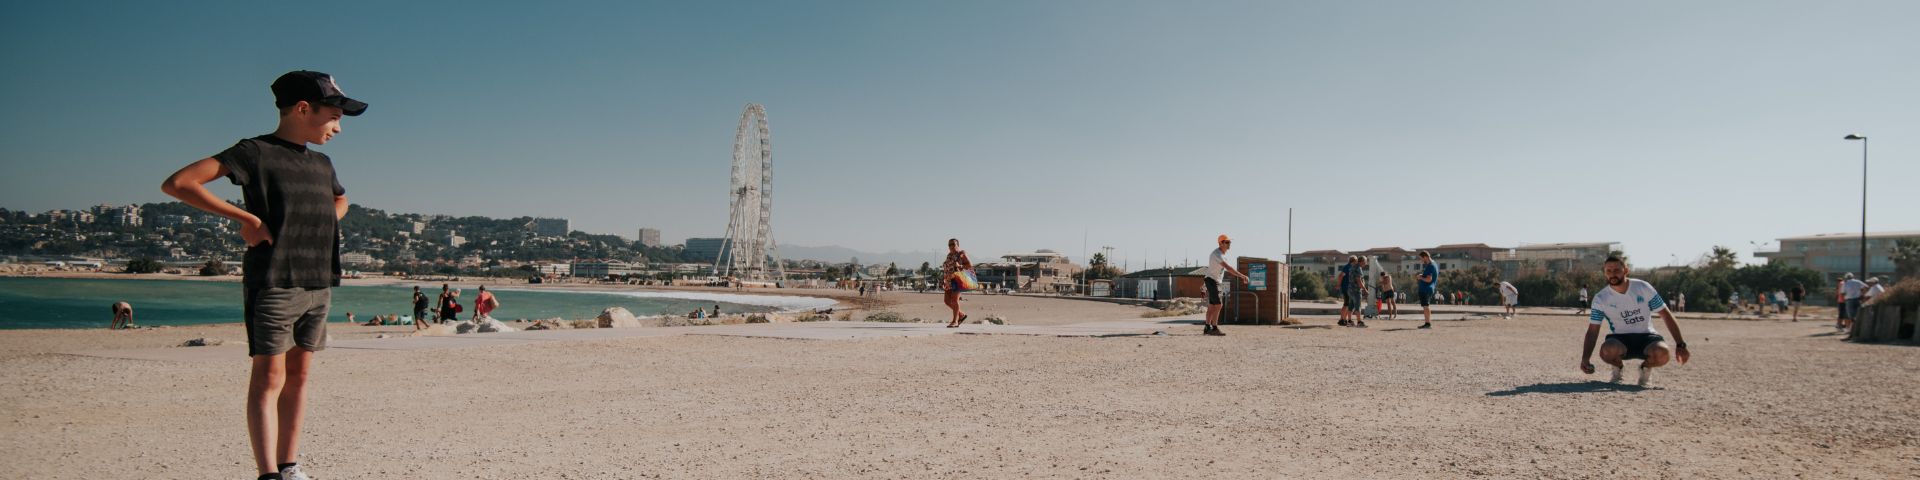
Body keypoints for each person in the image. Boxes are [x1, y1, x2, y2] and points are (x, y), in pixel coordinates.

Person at [159, 69, 366, 480]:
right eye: (333, 117)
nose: (338, 128)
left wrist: (324, 220)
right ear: (303, 109)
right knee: (269, 379)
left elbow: (341, 201)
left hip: (318, 281)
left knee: (299, 378)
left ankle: (289, 467)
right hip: (273, 281)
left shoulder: (322, 163)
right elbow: (180, 183)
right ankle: (268, 473)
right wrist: (247, 219)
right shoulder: (255, 152)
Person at [1581, 256, 1691, 387]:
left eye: (1617, 270)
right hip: (1619, 339)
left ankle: (1645, 369)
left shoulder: (1643, 287)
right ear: (1604, 272)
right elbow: (1593, 331)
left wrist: (1680, 344)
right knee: (1606, 350)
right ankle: (1618, 368)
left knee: (1663, 353)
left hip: (1647, 337)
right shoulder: (1601, 298)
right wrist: (1585, 358)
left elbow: (1666, 315)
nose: (1612, 274)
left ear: (1626, 270)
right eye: (1608, 271)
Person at [1202, 235, 1251, 336]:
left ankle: (1207, 327)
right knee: (1219, 305)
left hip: (1213, 281)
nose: (1229, 244)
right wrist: (1242, 276)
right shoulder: (1217, 254)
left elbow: (1213, 270)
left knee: (1212, 306)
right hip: (1212, 281)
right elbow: (1228, 268)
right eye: (1227, 242)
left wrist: (1204, 286)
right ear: (1220, 243)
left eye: (1230, 242)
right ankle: (1214, 328)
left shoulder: (1223, 255)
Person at [940, 238, 974, 328]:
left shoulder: (961, 253)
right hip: (948, 280)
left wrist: (960, 266)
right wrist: (944, 279)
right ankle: (961, 315)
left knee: (955, 300)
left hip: (957, 280)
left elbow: (970, 265)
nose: (951, 246)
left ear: (958, 245)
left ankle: (955, 321)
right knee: (947, 301)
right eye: (949, 245)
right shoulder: (949, 255)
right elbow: (947, 268)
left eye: (953, 244)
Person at [1415, 251, 1438, 329]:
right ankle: (1427, 323)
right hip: (1428, 288)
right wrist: (1422, 275)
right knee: (1426, 305)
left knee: (1426, 306)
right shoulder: (1434, 264)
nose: (1421, 260)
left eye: (1421, 258)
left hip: (1426, 289)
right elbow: (1429, 276)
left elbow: (1429, 279)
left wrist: (1420, 277)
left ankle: (1427, 323)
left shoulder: (1430, 266)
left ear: (1425, 257)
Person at [1335, 256, 1359, 326]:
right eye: (1356, 261)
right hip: (1346, 288)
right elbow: (1340, 276)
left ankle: (1344, 319)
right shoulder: (1347, 267)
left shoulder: (1351, 267)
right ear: (1354, 261)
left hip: (1349, 288)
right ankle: (1341, 320)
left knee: (1348, 305)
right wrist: (1338, 285)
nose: (1357, 262)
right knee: (1346, 304)